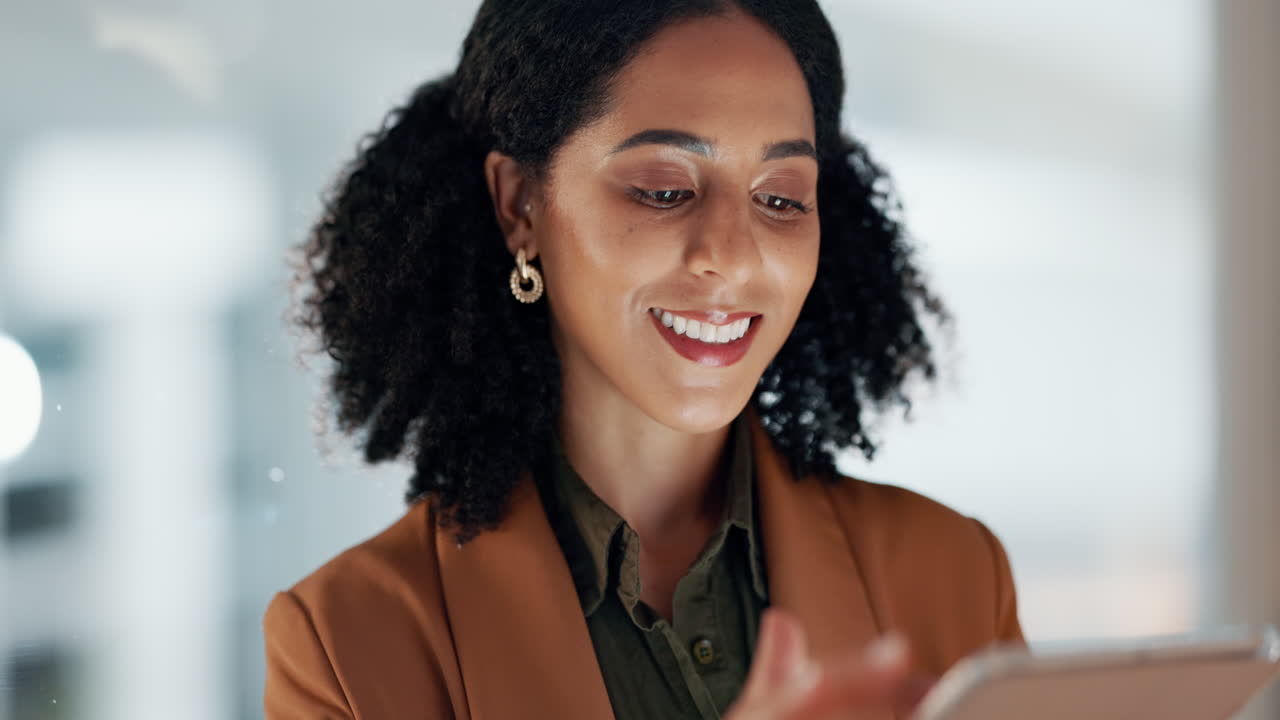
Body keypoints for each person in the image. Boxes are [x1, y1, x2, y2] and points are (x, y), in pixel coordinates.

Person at [264, 1, 1024, 718]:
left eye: (782, 198)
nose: (730, 257)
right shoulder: (345, 646)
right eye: (664, 190)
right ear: (519, 205)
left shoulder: (953, 576)